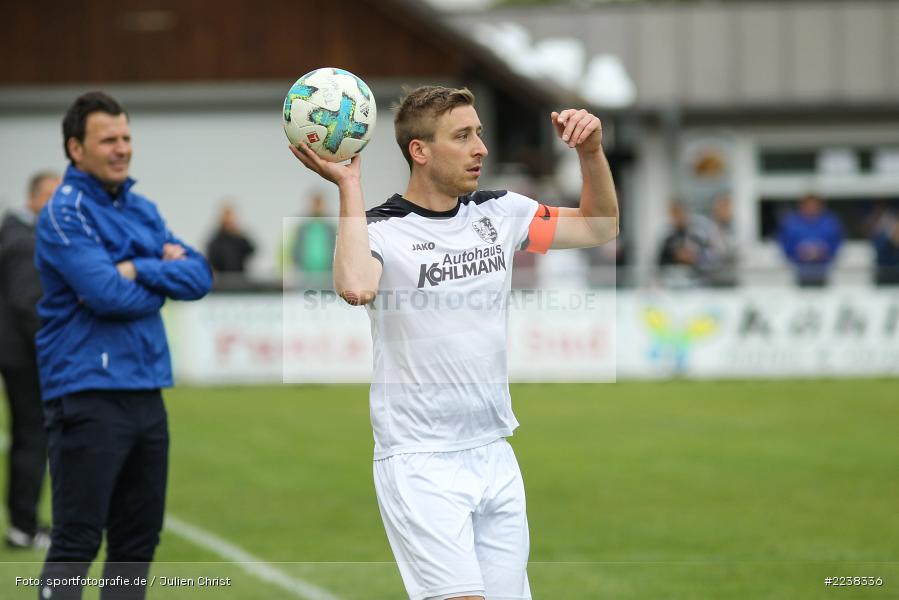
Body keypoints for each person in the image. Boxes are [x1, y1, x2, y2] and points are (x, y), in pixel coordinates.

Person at [289, 86, 618, 600]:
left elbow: (599, 228)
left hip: (494, 451)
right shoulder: (381, 229)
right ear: (420, 151)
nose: (480, 148)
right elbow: (356, 286)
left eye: (478, 134)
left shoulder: (500, 211)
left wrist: (591, 151)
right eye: (462, 136)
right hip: (420, 460)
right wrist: (348, 186)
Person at [34, 91, 212, 599]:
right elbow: (107, 294)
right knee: (77, 541)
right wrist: (160, 277)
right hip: (87, 393)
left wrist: (135, 267)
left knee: (136, 545)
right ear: (76, 149)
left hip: (146, 392)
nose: (122, 148)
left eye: (126, 137)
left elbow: (199, 276)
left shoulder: (141, 208)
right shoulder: (65, 213)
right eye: (108, 139)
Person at [0, 170, 59, 550]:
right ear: (34, 197)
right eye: (51, 196)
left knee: (28, 435)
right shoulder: (24, 240)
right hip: (23, 355)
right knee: (32, 436)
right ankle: (23, 525)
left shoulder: (13, 232)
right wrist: (51, 348)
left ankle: (21, 523)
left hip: (15, 352)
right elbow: (27, 303)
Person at [777, 193, 843, 287]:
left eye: (814, 205)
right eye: (808, 205)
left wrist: (823, 251)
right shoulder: (791, 222)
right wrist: (798, 252)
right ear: (802, 206)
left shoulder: (830, 222)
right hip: (797, 269)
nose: (811, 208)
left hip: (825, 269)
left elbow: (837, 242)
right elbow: (784, 243)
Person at [290, 192, 336, 289]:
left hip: (327, 274)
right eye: (315, 203)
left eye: (319, 203)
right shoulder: (302, 227)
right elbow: (293, 248)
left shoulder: (331, 228)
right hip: (304, 274)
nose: (317, 207)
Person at [205, 202, 255, 275]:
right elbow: (211, 259)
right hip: (222, 278)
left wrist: (239, 234)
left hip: (239, 276)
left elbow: (251, 249)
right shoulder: (216, 241)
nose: (229, 221)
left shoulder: (239, 239)